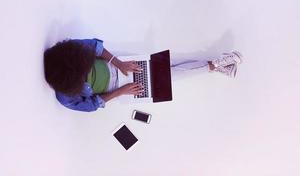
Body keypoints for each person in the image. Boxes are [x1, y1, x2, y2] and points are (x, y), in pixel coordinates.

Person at [44, 38, 242, 112]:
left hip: (121, 65)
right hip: (122, 88)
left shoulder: (66, 53)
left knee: (171, 63)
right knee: (171, 77)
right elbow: (93, 104)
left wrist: (119, 63)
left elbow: (95, 47)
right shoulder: (65, 98)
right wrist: (122, 91)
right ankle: (216, 65)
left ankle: (216, 65)